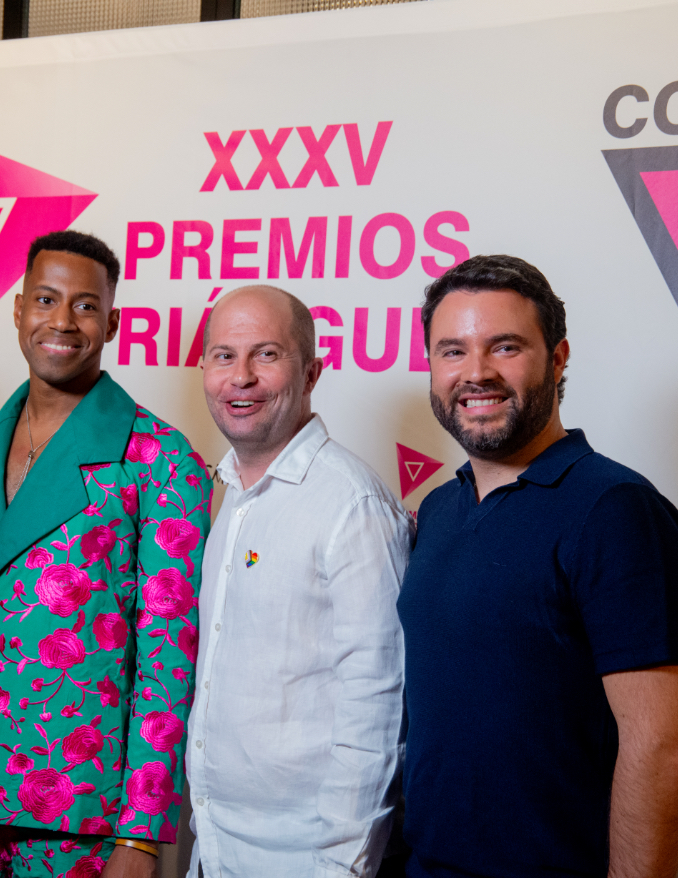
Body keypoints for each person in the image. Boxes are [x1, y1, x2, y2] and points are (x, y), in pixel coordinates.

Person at [0, 231, 212, 878]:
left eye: (85, 306)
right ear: (18, 311)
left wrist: (142, 838)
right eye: (45, 299)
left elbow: (168, 657)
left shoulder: (160, 458)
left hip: (83, 816)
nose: (62, 321)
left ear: (112, 323)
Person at [399, 255, 678, 878]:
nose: (476, 373)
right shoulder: (439, 508)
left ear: (558, 358)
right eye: (452, 351)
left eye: (505, 346)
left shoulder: (615, 510)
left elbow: (664, 747)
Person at [186, 285, 409, 878]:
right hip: (217, 849)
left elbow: (377, 708)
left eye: (266, 354)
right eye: (224, 356)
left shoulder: (352, 505)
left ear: (311, 372)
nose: (241, 377)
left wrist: (341, 868)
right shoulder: (228, 496)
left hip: (307, 861)